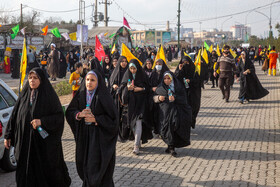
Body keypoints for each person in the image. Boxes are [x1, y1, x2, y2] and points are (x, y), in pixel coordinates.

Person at [4, 68, 71, 187]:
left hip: (42, 147)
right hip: (24, 144)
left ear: (41, 80)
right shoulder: (24, 95)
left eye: (35, 78)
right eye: (30, 78)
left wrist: (42, 122)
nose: (32, 81)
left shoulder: (49, 96)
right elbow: (14, 115)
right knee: (24, 174)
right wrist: (8, 135)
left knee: (43, 175)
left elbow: (58, 117)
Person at [66, 70, 118, 187]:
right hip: (85, 139)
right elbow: (70, 111)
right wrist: (79, 115)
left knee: (97, 171)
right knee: (86, 168)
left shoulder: (104, 97)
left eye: (92, 80)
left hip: (100, 141)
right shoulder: (81, 95)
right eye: (87, 80)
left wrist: (96, 119)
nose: (89, 83)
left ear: (98, 82)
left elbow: (113, 121)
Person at [153, 72, 192, 157]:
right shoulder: (161, 87)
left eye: (168, 78)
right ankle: (170, 146)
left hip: (177, 111)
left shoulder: (178, 86)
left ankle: (171, 147)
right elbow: (154, 98)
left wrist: (175, 98)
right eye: (165, 78)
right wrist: (159, 98)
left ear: (172, 79)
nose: (167, 80)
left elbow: (184, 98)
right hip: (165, 112)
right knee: (166, 128)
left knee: (174, 126)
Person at [118, 59, 152, 155]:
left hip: (141, 104)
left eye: (134, 68)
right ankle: (137, 139)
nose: (132, 70)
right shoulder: (127, 75)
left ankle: (136, 145)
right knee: (132, 123)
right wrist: (127, 89)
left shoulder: (142, 75)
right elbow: (121, 88)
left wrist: (140, 89)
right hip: (130, 105)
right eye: (131, 68)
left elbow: (148, 88)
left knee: (138, 122)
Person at [175, 56, 201, 129]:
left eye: (187, 63)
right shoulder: (180, 69)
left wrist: (190, 81)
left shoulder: (194, 70)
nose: (185, 64)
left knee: (192, 109)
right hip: (182, 93)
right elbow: (175, 79)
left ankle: (191, 121)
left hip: (192, 94)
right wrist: (179, 70)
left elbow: (198, 81)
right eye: (183, 63)